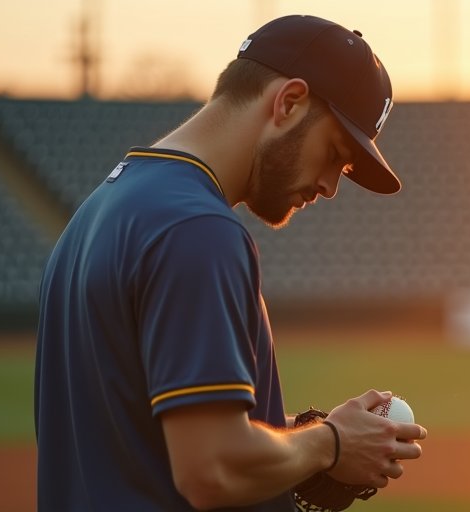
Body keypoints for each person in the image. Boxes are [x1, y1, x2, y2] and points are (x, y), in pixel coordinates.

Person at [35, 14, 426, 511]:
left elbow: (143, 444)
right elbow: (212, 468)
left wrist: (307, 446)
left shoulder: (105, 208)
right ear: (288, 102)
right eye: (335, 153)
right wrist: (329, 443)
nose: (330, 186)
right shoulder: (198, 230)